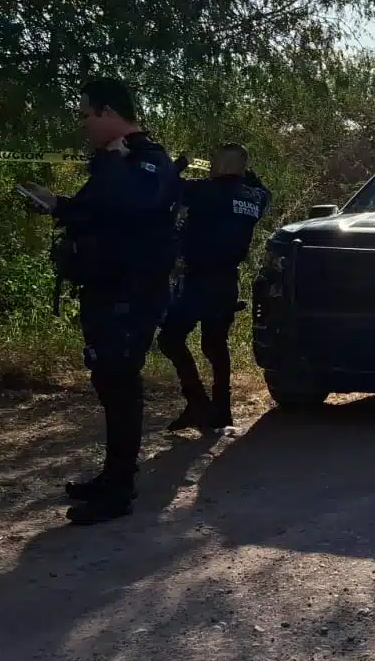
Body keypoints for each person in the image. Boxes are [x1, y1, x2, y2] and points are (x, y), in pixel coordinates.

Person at [23, 78, 180, 525]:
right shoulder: (113, 163)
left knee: (121, 383)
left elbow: (138, 203)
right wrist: (56, 205)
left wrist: (114, 162)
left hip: (132, 293)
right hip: (105, 289)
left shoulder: (148, 161)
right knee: (109, 385)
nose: (83, 125)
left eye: (87, 115)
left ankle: (120, 490)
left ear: (110, 113)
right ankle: (112, 478)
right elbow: (96, 212)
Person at [156, 142, 271, 434]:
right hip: (226, 281)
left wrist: (178, 163)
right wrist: (247, 173)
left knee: (170, 339)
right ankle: (222, 408)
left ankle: (197, 401)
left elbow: (169, 185)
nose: (210, 165)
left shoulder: (205, 192)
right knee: (215, 344)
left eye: (214, 161)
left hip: (197, 280)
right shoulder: (254, 197)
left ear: (221, 166)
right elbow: (264, 190)